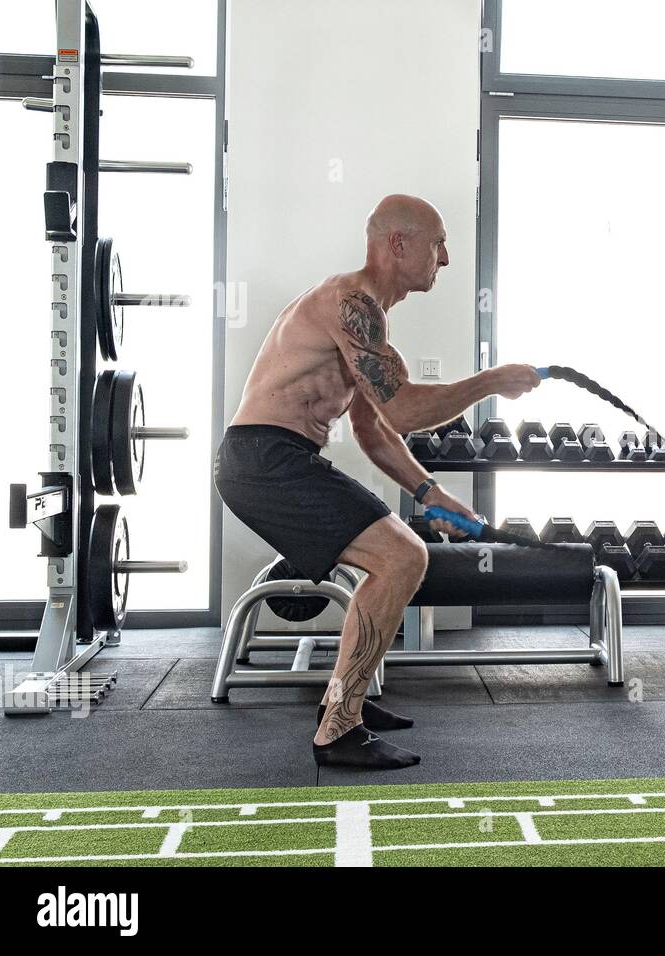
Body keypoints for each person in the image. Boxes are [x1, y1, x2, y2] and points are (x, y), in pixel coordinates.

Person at [214, 194, 541, 769]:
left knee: (402, 555)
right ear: (399, 244)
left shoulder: (369, 324)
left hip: (275, 458)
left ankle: (348, 705)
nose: (445, 258)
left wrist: (429, 492)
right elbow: (410, 411)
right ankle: (338, 730)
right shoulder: (350, 303)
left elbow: (377, 430)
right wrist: (491, 380)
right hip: (263, 458)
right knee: (401, 558)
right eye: (437, 242)